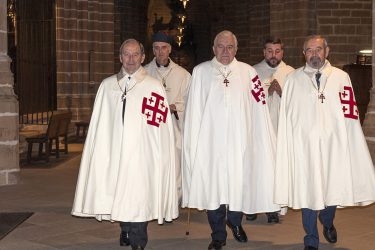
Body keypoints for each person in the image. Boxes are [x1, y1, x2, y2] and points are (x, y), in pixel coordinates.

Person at [274, 35, 375, 250]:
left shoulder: (341, 77)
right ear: (303, 53)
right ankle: (311, 239)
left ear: (327, 51)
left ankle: (327, 220)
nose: (314, 54)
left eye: (318, 49)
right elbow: (287, 117)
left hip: (334, 146)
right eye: (309, 50)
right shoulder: (293, 80)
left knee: (332, 188)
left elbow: (350, 114)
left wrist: (351, 141)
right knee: (307, 192)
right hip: (304, 149)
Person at [71, 39, 178, 250]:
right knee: (117, 189)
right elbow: (100, 125)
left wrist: (159, 155)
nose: (130, 59)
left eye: (135, 54)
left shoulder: (153, 87)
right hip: (114, 152)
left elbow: (160, 128)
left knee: (138, 195)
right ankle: (125, 228)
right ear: (120, 58)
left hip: (141, 154)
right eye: (126, 54)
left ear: (142, 57)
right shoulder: (107, 85)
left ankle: (139, 241)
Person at [182, 30, 280, 250]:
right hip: (210, 145)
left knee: (239, 186)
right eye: (220, 46)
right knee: (214, 190)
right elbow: (193, 110)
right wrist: (194, 143)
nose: (225, 51)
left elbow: (259, 109)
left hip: (240, 143)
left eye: (229, 47)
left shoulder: (248, 73)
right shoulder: (200, 72)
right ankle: (218, 235)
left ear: (236, 49)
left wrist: (259, 140)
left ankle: (235, 223)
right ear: (213, 48)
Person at [246, 37, 294, 223]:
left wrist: (282, 93)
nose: (273, 55)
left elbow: (297, 104)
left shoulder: (291, 73)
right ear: (263, 52)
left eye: (277, 51)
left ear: (283, 52)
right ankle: (252, 206)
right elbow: (247, 101)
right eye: (269, 51)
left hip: (281, 131)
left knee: (276, 171)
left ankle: (273, 209)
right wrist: (266, 93)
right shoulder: (253, 72)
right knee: (257, 170)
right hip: (259, 131)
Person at [144, 31, 191, 202]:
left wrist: (175, 107)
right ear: (152, 50)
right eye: (156, 48)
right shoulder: (144, 73)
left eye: (163, 48)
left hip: (174, 127)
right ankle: (154, 199)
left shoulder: (183, 75)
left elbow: (191, 102)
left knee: (175, 164)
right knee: (154, 163)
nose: (160, 52)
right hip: (152, 127)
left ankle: (173, 199)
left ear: (169, 49)